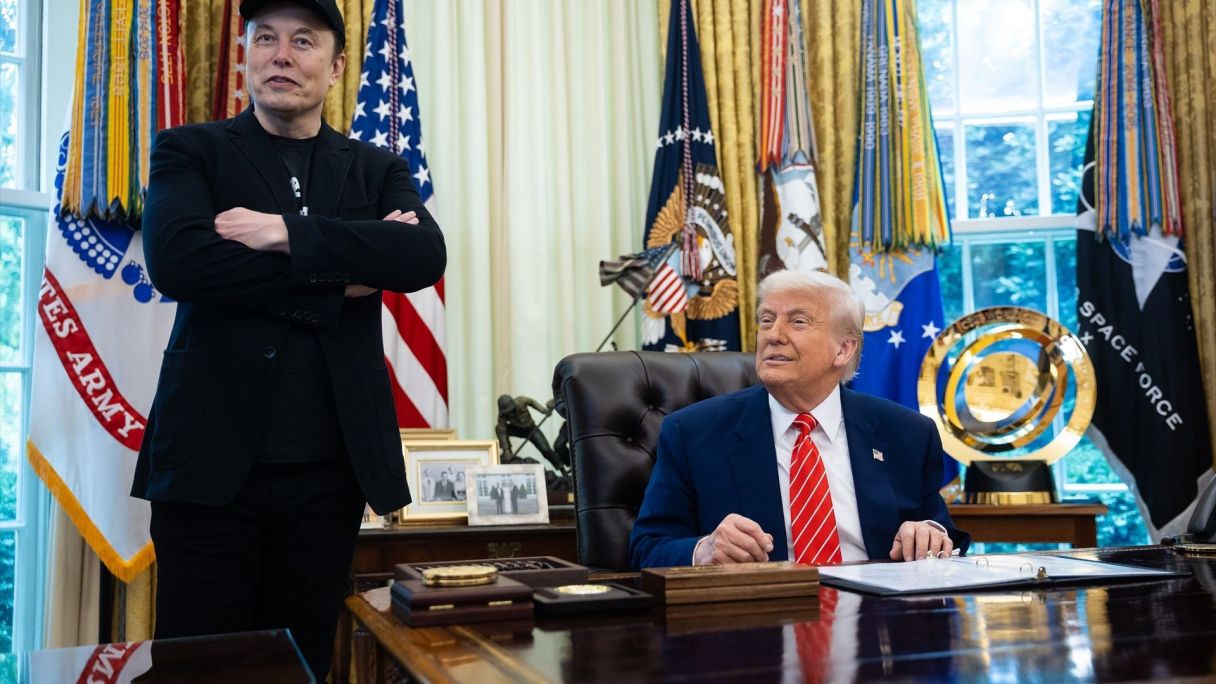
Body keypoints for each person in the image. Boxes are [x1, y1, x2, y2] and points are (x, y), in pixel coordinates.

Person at [129, 0, 445, 677]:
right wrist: (344, 272)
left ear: (335, 67)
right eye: (265, 38)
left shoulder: (377, 168)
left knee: (299, 668)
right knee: (197, 669)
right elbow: (181, 264)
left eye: (303, 41)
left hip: (330, 473)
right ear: (245, 55)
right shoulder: (191, 150)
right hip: (208, 467)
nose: (281, 54)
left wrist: (282, 233)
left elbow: (421, 257)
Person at [629, 270, 969, 569]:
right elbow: (647, 548)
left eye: (798, 322)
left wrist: (929, 534)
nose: (773, 335)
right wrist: (704, 550)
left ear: (843, 349)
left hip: (879, 612)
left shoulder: (906, 433)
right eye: (766, 320)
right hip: (761, 609)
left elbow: (941, 534)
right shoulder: (693, 433)